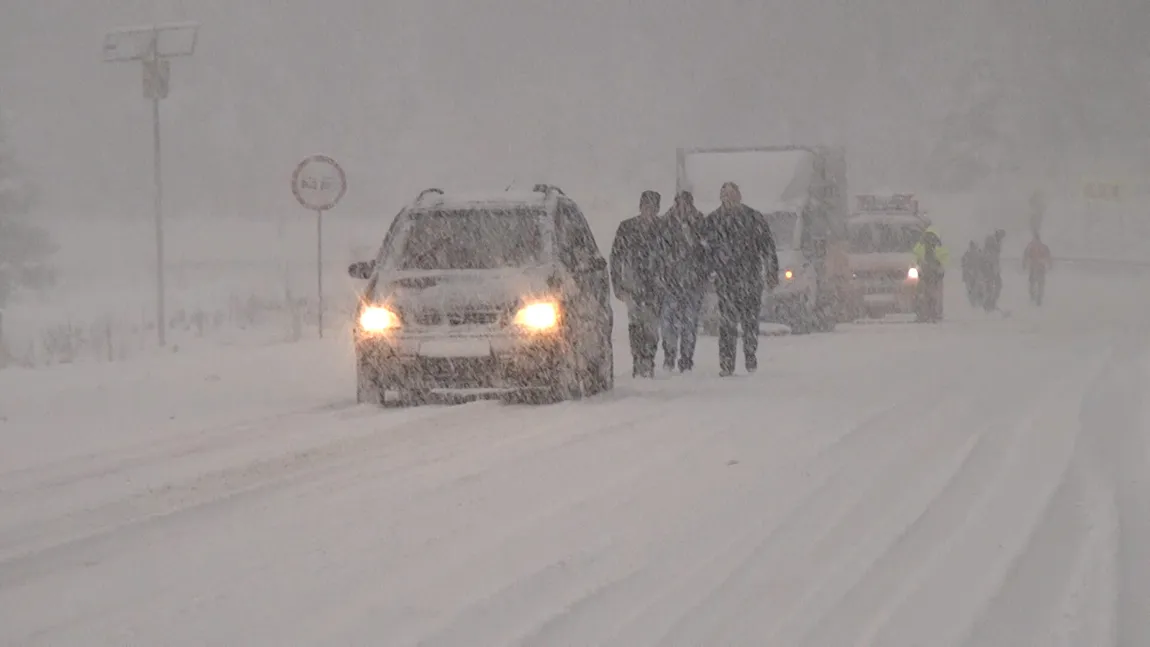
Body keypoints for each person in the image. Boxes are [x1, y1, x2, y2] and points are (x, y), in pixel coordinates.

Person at [700, 182, 779, 377]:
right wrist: (707, 273)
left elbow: (767, 246)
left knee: (750, 321)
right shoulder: (712, 221)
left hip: (750, 277)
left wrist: (771, 272)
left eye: (732, 195)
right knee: (727, 323)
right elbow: (705, 251)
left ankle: (750, 354)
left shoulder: (753, 218)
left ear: (739, 197)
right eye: (725, 196)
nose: (729, 199)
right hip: (726, 280)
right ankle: (727, 363)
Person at [610, 190, 667, 378]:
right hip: (632, 285)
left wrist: (667, 281)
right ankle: (637, 359)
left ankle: (648, 359)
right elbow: (616, 257)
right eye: (645, 206)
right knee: (635, 324)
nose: (648, 211)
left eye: (652, 207)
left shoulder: (664, 228)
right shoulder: (627, 228)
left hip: (655, 286)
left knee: (651, 325)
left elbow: (670, 258)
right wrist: (617, 284)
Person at [659, 190, 707, 372]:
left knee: (690, 322)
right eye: (679, 204)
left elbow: (705, 251)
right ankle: (669, 356)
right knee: (668, 322)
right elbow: (659, 250)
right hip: (671, 282)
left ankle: (686, 358)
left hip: (693, 282)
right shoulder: (665, 223)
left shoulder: (700, 223)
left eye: (686, 204)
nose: (683, 208)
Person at [915, 230, 945, 321]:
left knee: (927, 296)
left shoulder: (923, 252)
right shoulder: (936, 253)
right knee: (931, 296)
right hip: (931, 277)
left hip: (929, 277)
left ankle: (928, 314)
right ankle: (932, 313)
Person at [1022, 232, 1052, 306]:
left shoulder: (1030, 246)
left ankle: (1034, 295)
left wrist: (1024, 264)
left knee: (1033, 282)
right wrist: (1050, 264)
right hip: (1040, 267)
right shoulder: (1043, 247)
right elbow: (1048, 256)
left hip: (1034, 267)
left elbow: (1025, 255)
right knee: (1040, 283)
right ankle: (1038, 296)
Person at [982, 229, 1006, 311]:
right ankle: (988, 303)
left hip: (993, 268)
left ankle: (991, 302)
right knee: (990, 287)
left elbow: (996, 258)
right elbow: (988, 257)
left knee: (998, 286)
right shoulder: (991, 242)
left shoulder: (997, 243)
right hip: (989, 268)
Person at [961, 240, 980, 307]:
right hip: (969, 275)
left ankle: (974, 305)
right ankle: (973, 305)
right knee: (970, 291)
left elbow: (980, 264)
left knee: (973, 291)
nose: (973, 248)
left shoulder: (977, 254)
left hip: (974, 275)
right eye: (973, 246)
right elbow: (963, 264)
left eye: (974, 247)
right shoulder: (967, 254)